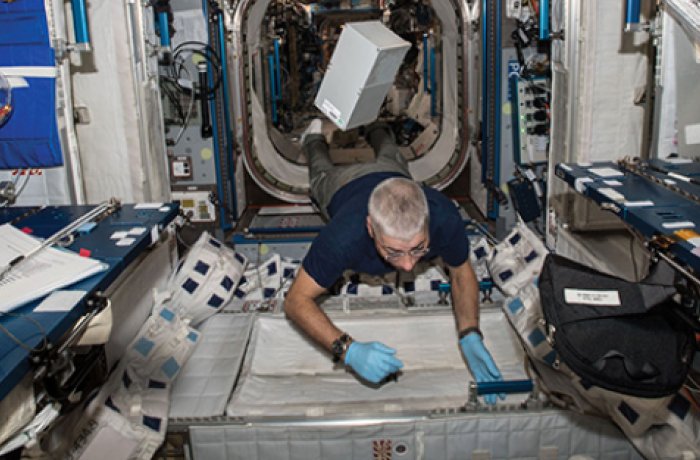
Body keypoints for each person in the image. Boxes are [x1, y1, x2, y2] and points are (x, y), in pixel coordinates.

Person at [284, 119, 504, 404]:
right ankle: (313, 137)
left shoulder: (444, 218)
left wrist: (470, 333)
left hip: (392, 175)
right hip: (343, 186)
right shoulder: (341, 239)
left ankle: (376, 124)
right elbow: (296, 300)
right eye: (394, 252)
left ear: (428, 223)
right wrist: (347, 349)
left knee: (390, 152)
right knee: (321, 171)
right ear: (370, 228)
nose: (408, 266)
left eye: (418, 248)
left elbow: (461, 273)